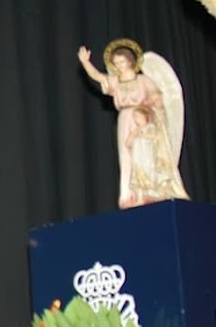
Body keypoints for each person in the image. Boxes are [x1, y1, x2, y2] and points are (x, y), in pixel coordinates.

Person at [77, 39, 189, 208]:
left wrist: (154, 117)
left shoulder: (144, 80)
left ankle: (149, 191)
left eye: (122, 62)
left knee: (144, 154)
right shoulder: (116, 81)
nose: (119, 66)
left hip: (141, 118)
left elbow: (157, 101)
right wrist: (85, 62)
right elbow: (98, 76)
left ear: (130, 61)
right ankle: (129, 194)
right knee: (127, 155)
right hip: (125, 119)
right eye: (116, 63)